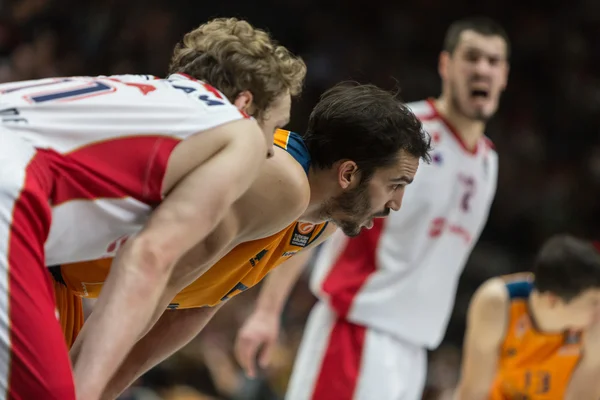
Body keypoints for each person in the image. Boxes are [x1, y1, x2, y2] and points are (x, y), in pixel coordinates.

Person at [52, 81, 432, 399]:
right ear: (348, 173)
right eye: (395, 185)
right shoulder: (282, 181)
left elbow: (199, 301)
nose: (396, 204)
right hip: (44, 251)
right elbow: (157, 273)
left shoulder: (322, 218)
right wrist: (83, 386)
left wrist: (103, 389)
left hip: (66, 284)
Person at [0, 17, 305, 400]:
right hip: (11, 193)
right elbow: (149, 256)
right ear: (245, 102)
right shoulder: (238, 129)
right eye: (274, 128)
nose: (269, 151)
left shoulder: (136, 88)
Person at [234, 16, 509, 400]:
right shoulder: (402, 135)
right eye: (472, 57)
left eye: (493, 61)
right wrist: (267, 311)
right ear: (446, 65)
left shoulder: (487, 162)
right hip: (356, 332)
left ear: (505, 75)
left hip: (415, 350)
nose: (483, 69)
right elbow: (320, 208)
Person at [455, 234, 600, 400]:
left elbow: (583, 396)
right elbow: (474, 390)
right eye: (593, 302)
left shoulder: (595, 325)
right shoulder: (498, 305)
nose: (598, 309)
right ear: (553, 300)